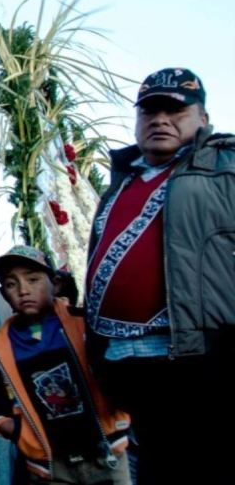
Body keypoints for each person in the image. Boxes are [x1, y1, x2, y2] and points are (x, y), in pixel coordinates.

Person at [85, 67, 235, 485]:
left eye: (175, 110)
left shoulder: (225, 167)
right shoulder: (123, 180)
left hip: (196, 354)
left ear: (203, 119)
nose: (160, 120)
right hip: (126, 361)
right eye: (149, 110)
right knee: (156, 468)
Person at [0, 246, 129, 484]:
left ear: (55, 283)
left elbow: (116, 371)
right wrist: (15, 430)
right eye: (11, 284)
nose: (23, 290)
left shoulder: (84, 324)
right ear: (3, 293)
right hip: (52, 468)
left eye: (33, 279)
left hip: (106, 455)